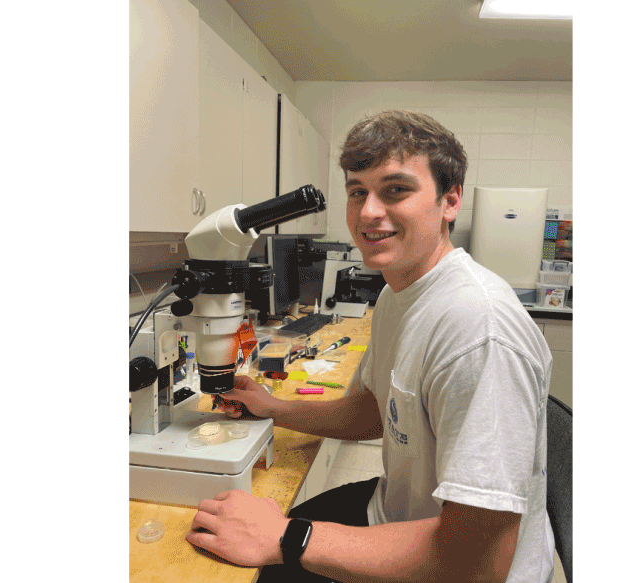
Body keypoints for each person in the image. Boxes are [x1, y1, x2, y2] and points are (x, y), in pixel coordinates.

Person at [187, 110, 554, 582]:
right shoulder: (397, 293)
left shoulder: (478, 329)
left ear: (450, 200)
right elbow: (372, 412)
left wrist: (285, 538)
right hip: (398, 514)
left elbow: (478, 562)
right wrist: (274, 407)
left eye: (396, 190)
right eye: (358, 192)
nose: (368, 212)